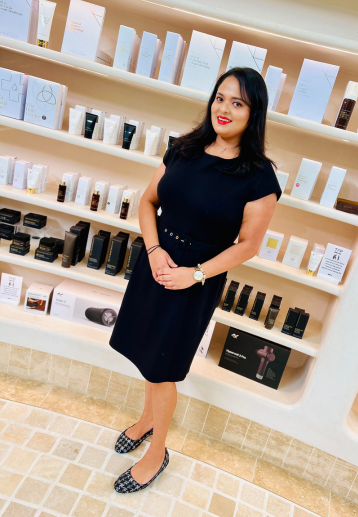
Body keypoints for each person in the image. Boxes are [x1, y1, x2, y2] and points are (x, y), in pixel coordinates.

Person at [109, 67, 282, 493]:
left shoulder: (259, 176)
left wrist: (196, 274)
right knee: (144, 352)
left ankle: (158, 451)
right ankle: (148, 419)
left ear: (253, 112)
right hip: (156, 263)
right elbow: (148, 202)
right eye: (220, 97)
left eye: (237, 102)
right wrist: (153, 251)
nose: (224, 108)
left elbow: (248, 245)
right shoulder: (183, 149)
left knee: (163, 366)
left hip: (195, 281)